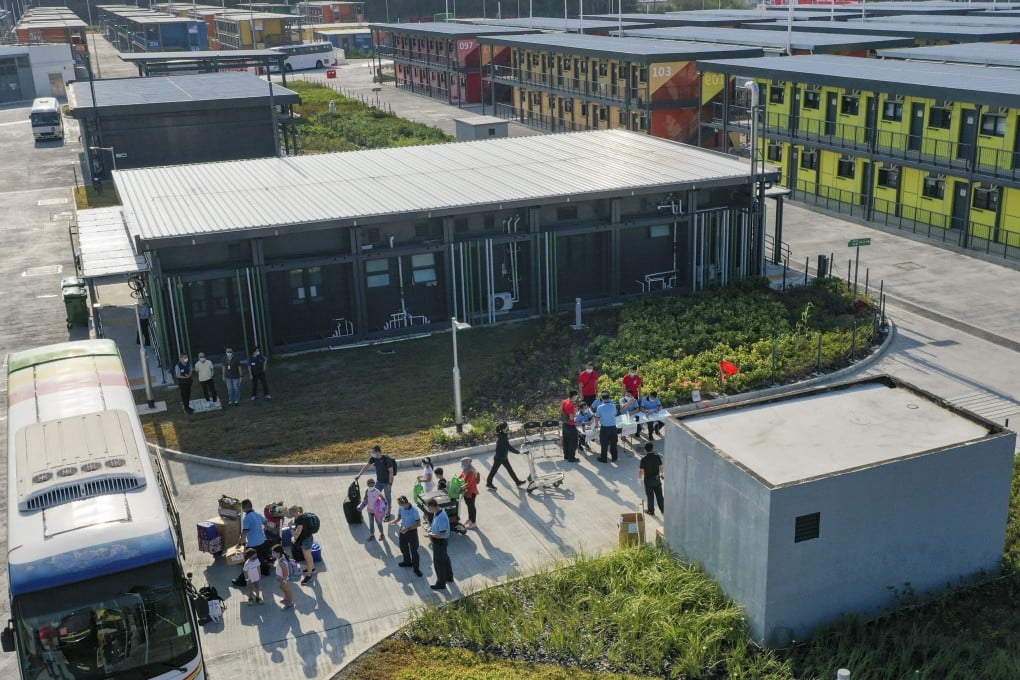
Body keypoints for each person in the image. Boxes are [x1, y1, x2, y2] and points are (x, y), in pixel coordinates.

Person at [231, 499, 272, 587]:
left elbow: (244, 532)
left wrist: (240, 543)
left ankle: (241, 581)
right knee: (260, 557)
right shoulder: (258, 514)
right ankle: (265, 571)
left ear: (245, 508)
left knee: (248, 563)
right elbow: (266, 525)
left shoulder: (247, 518)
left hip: (253, 544)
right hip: (262, 541)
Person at [357, 445, 397, 521]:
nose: (372, 453)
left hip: (387, 482)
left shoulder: (386, 459)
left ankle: (388, 514)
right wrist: (359, 475)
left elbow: (391, 472)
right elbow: (367, 466)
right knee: (372, 493)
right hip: (379, 481)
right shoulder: (374, 458)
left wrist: (390, 484)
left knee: (387, 498)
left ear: (378, 452)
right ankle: (367, 507)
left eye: (373, 452)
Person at [390, 495, 423, 577]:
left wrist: (408, 529)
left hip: (412, 532)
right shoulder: (401, 508)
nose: (400, 506)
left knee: (414, 551)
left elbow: (418, 524)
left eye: (400, 504)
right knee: (403, 548)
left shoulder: (414, 510)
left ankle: (416, 569)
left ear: (405, 503)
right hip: (403, 530)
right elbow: (399, 518)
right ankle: (407, 562)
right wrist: (394, 521)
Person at [486, 422, 525, 489]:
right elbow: (509, 447)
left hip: (503, 457)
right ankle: (489, 483)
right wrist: (518, 452)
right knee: (494, 471)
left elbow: (507, 446)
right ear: (503, 429)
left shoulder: (502, 434)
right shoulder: (502, 438)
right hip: (499, 458)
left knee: (510, 469)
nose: (508, 429)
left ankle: (517, 482)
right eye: (507, 428)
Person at [427, 497, 453, 590]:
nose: (429, 509)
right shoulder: (438, 511)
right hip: (441, 542)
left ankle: (441, 583)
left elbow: (442, 533)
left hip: (439, 542)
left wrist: (431, 535)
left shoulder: (441, 517)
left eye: (429, 508)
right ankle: (449, 577)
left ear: (433, 506)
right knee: (445, 559)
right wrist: (431, 529)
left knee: (439, 563)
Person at [288, 505, 317, 584]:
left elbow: (296, 535)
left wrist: (290, 527)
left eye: (290, 513)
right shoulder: (300, 517)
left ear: (294, 513)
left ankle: (309, 575)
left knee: (308, 558)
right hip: (308, 538)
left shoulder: (300, 521)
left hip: (306, 541)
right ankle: (312, 568)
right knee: (309, 556)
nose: (289, 515)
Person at [638, 442, 664, 516]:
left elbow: (641, 471)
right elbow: (661, 467)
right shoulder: (657, 457)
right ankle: (663, 509)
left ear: (645, 449)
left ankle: (651, 511)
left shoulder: (643, 459)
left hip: (648, 481)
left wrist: (639, 479)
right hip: (657, 479)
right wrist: (663, 474)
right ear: (652, 449)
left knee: (650, 496)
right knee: (659, 495)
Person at [594, 391, 619, 463]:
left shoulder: (599, 407)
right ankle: (614, 457)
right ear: (609, 398)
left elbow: (596, 418)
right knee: (613, 444)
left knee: (604, 444)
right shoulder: (613, 406)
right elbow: (615, 414)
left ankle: (604, 459)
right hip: (613, 427)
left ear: (602, 399)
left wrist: (597, 425)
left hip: (604, 428)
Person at [458, 457, 481, 529]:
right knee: (469, 506)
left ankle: (473, 522)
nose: (461, 465)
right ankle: (470, 519)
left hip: (471, 492)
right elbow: (461, 476)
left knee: (471, 507)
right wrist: (456, 481)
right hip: (466, 492)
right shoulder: (466, 469)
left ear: (466, 463)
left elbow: (469, 483)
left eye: (462, 464)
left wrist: (460, 488)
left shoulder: (471, 471)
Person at [272, 544, 295, 609]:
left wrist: (284, 581)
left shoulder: (282, 562)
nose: (273, 554)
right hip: (282, 579)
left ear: (279, 553)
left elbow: (285, 573)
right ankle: (286, 599)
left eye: (274, 553)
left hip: (284, 579)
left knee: (287, 590)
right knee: (283, 589)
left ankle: (290, 602)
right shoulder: (281, 557)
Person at [561, 389, 580, 463]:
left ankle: (566, 456)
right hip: (570, 426)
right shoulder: (570, 405)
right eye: (576, 397)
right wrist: (576, 413)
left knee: (566, 441)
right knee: (573, 442)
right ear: (574, 396)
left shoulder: (564, 401)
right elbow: (571, 417)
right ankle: (571, 458)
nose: (576, 398)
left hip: (564, 424)